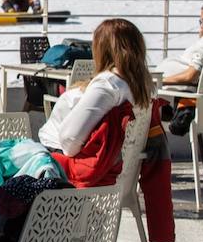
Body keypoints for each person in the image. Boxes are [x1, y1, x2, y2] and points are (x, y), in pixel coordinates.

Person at [38, 17, 154, 157]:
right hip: (118, 163)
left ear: (101, 50)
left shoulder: (107, 86)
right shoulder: (143, 84)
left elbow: (70, 141)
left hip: (68, 162)